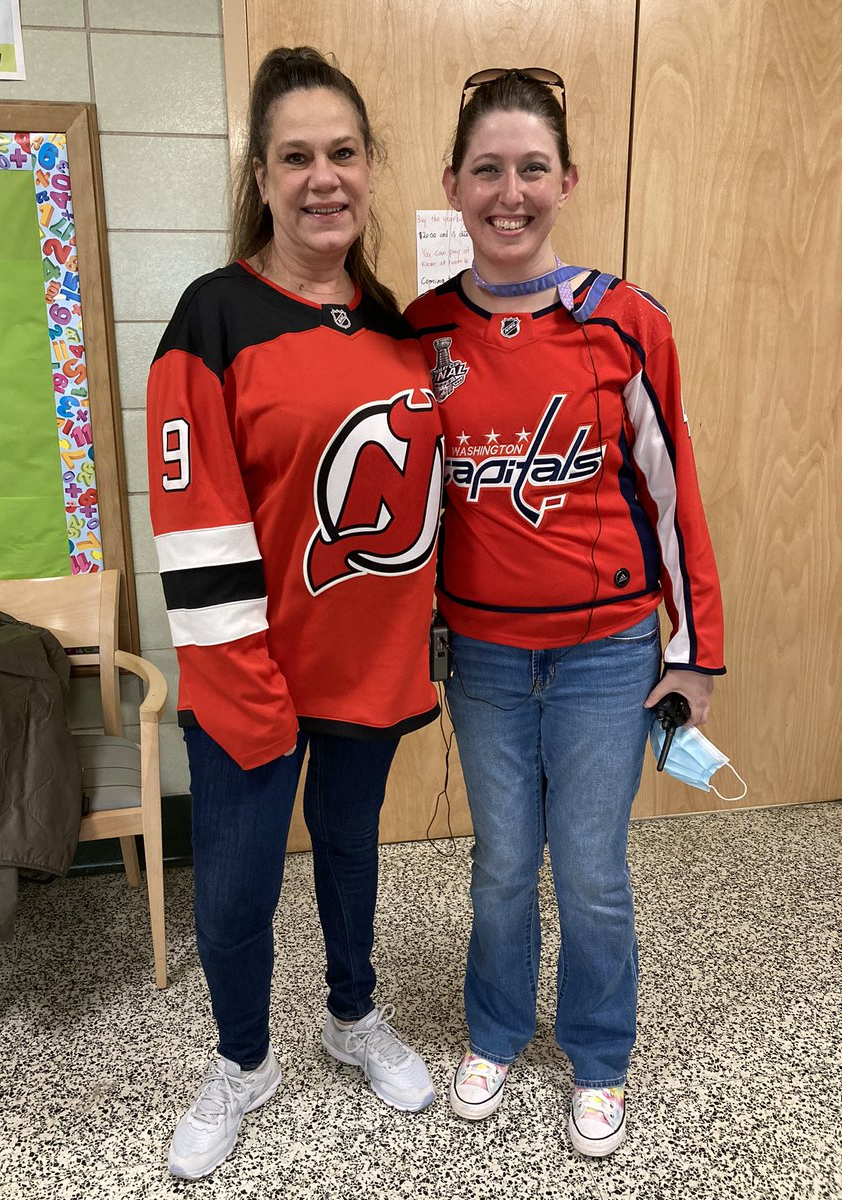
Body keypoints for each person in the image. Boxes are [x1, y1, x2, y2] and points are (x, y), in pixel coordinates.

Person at [405, 68, 724, 1156]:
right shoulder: (422, 334)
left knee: (590, 871)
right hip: (485, 660)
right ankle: (493, 1030)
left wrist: (694, 654)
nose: (510, 191)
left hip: (607, 658)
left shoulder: (625, 323)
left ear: (566, 180)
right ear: (452, 183)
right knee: (502, 860)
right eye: (487, 169)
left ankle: (598, 1055)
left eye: (531, 168)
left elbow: (673, 496)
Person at [147, 46, 444, 1181]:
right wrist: (244, 684)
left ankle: (353, 1017)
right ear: (262, 177)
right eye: (297, 157)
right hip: (249, 679)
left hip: (366, 672)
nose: (324, 176)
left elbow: (416, 506)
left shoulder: (396, 326)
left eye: (343, 153)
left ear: (369, 169)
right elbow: (197, 521)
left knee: (354, 856)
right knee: (232, 889)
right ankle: (243, 1060)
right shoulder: (211, 317)